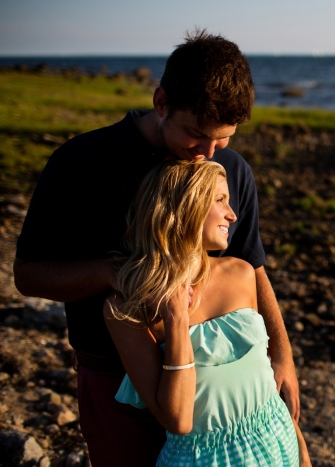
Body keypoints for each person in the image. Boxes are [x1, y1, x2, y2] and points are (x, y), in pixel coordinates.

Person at [13, 30, 299, 466]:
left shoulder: (231, 170)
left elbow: (252, 266)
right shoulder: (82, 163)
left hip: (220, 389)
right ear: (161, 102)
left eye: (222, 140)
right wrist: (115, 273)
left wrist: (281, 354)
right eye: (195, 135)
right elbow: (28, 275)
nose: (207, 154)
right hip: (114, 377)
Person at [104, 160, 311, 466]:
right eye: (220, 200)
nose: (233, 214)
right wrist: (176, 318)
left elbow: (264, 378)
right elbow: (178, 420)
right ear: (185, 207)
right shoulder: (126, 310)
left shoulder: (240, 273)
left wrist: (302, 452)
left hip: (278, 441)